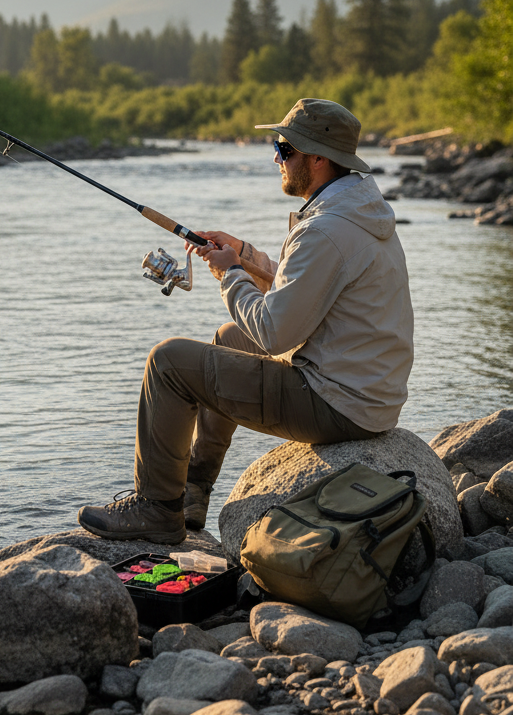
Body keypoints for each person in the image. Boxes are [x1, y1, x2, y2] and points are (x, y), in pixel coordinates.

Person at [77, 98, 414, 544]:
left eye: (284, 149)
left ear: (317, 158)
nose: (276, 158)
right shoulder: (354, 209)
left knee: (168, 362)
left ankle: (157, 509)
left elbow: (275, 334)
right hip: (367, 390)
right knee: (229, 338)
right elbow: (308, 284)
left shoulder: (327, 229)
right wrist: (246, 255)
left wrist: (229, 274)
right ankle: (193, 492)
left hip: (340, 404)